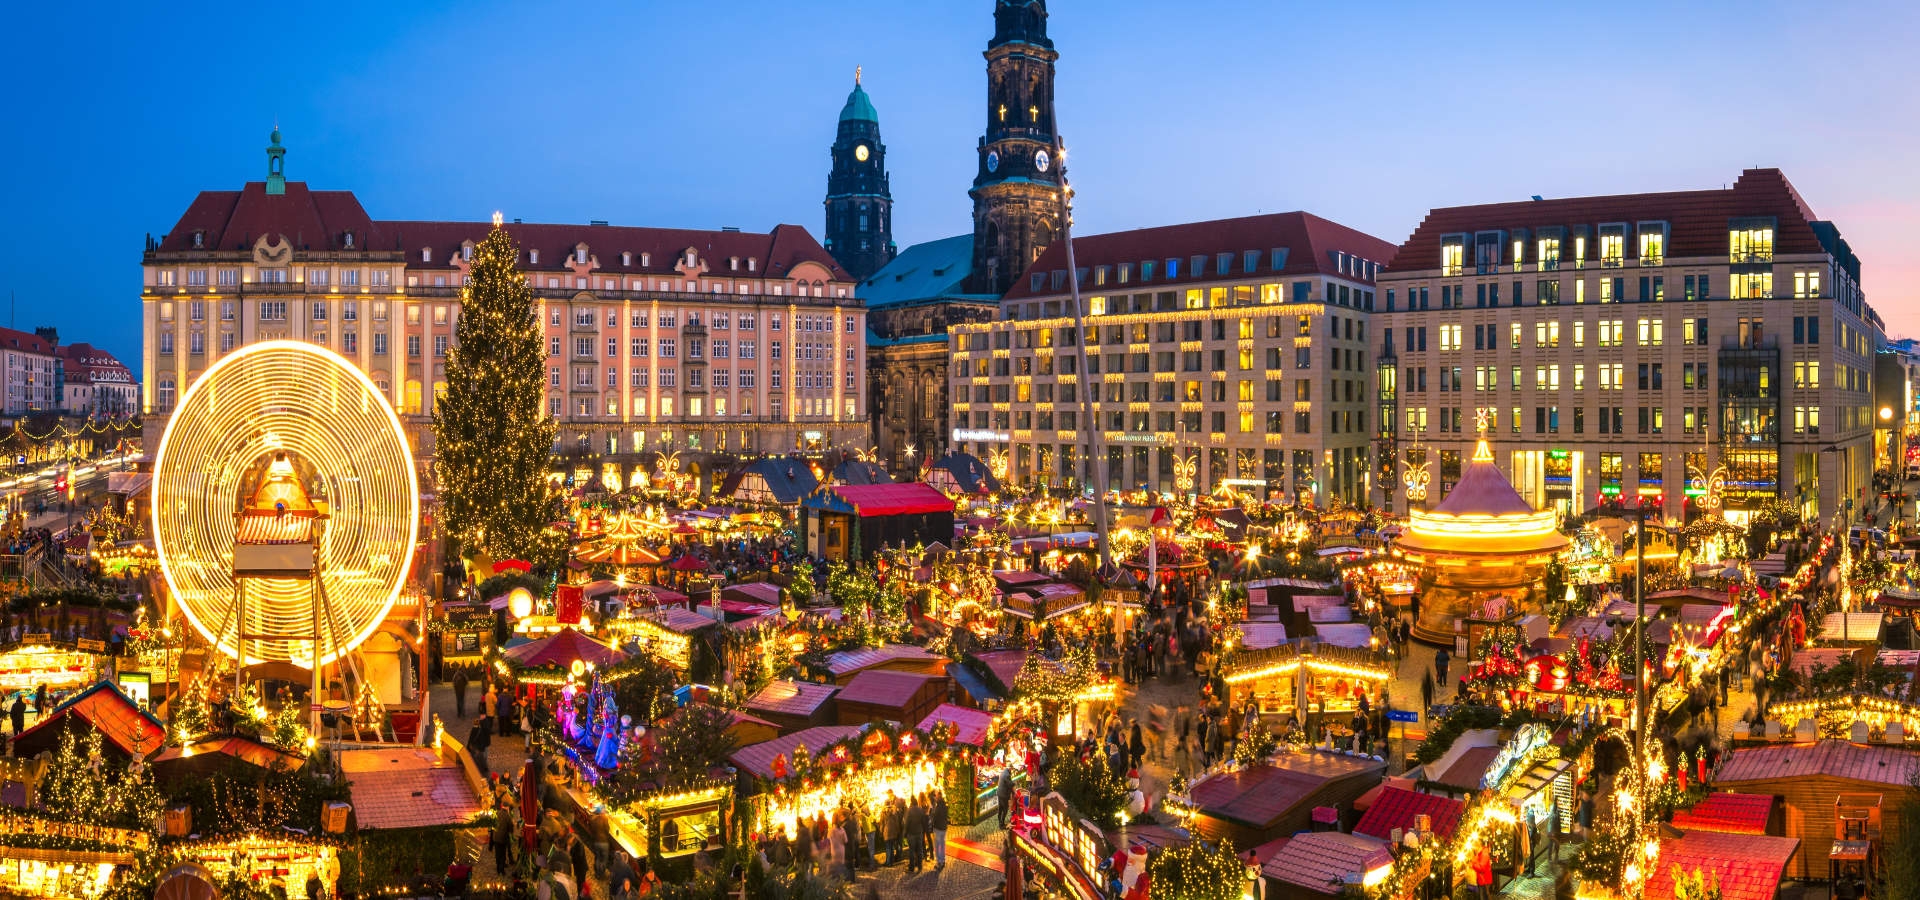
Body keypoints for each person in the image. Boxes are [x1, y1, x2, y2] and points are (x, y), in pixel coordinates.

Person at [904, 793, 929, 873]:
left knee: (911, 851)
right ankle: (920, 866)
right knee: (919, 850)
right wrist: (923, 830)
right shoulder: (920, 810)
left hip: (911, 834)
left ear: (911, 802)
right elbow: (923, 821)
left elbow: (907, 823)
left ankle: (911, 868)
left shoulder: (909, 811)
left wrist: (905, 833)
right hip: (919, 833)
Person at [930, 791, 949, 872]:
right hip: (943, 828)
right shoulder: (944, 805)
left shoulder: (938, 807)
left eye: (936, 796)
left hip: (938, 829)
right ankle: (943, 860)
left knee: (937, 846)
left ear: (939, 797)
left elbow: (935, 817)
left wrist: (932, 825)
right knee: (942, 844)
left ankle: (939, 862)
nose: (935, 797)